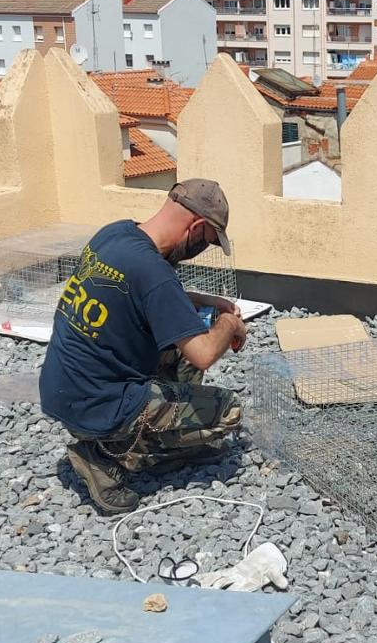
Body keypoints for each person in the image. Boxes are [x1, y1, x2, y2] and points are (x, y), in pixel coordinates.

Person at [39, 179, 249, 514]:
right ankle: (105, 457)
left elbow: (149, 297)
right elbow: (205, 355)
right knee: (228, 408)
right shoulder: (154, 271)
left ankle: (162, 438)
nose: (202, 251)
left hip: (64, 391)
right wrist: (230, 324)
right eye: (206, 242)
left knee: (191, 331)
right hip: (100, 405)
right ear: (195, 226)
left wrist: (208, 302)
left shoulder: (116, 234)